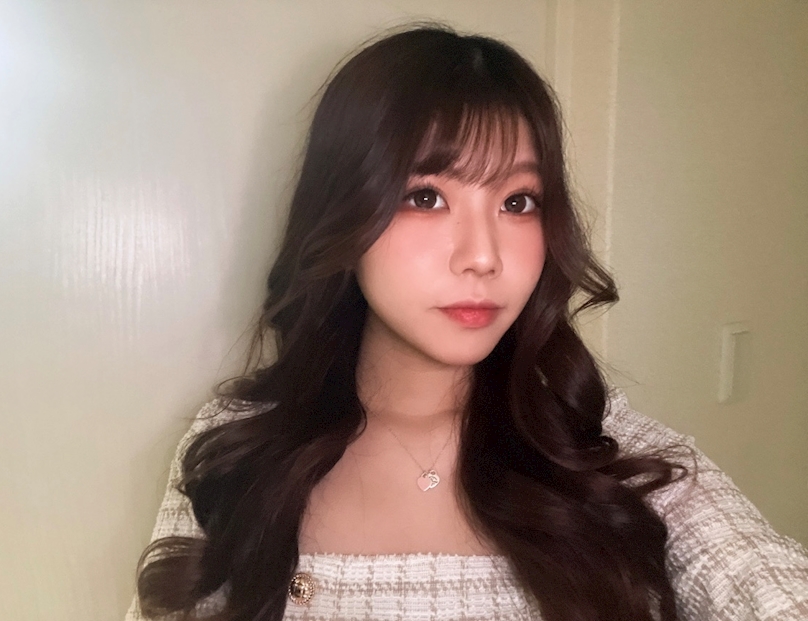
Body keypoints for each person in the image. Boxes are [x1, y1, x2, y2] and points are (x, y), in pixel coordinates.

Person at [126, 26, 808, 621]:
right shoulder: (243, 443)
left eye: (518, 201)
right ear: (344, 212)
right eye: (426, 196)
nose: (483, 256)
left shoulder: (606, 455)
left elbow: (766, 585)